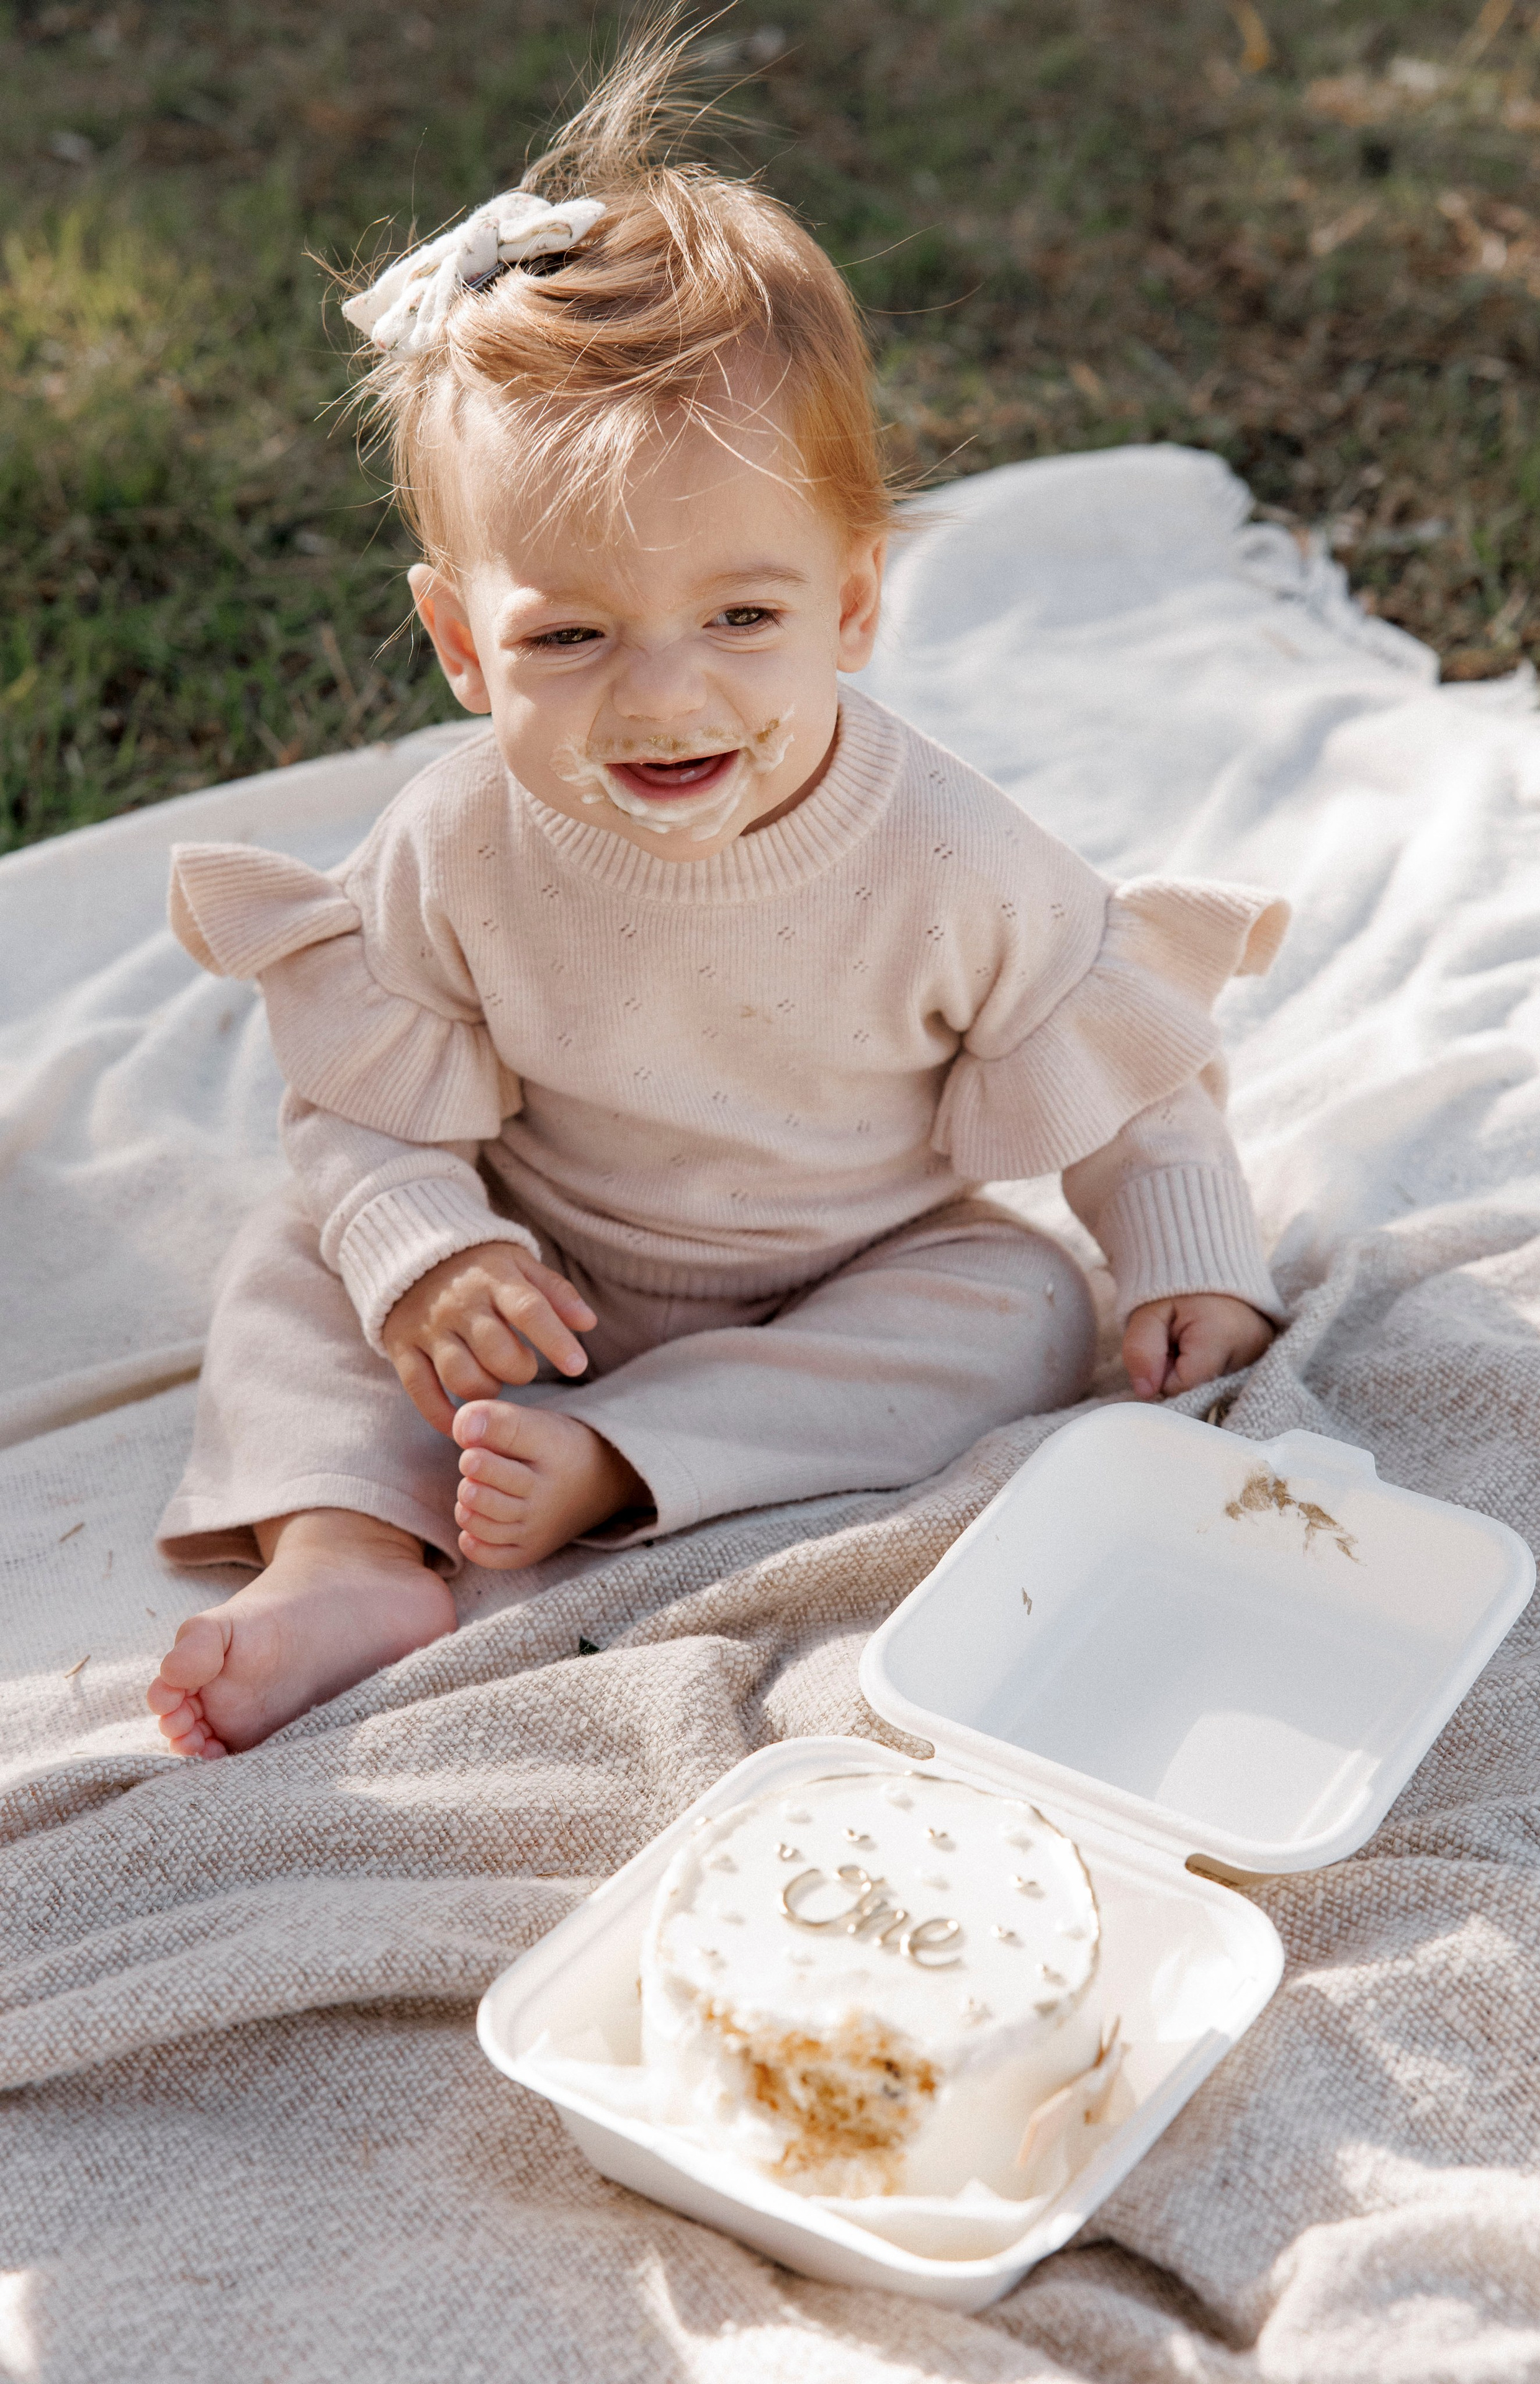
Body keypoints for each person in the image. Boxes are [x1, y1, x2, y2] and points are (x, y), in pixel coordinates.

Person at [146, 25, 1286, 1761]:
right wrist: (430, 1250)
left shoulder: (954, 859)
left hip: (850, 1261)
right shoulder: (453, 850)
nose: (665, 699)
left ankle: (636, 1453)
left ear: (852, 605)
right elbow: (358, 1106)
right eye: (572, 637)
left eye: (742, 619)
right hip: (537, 1260)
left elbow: (1123, 1066)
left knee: (1016, 1306)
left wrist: (1179, 1258)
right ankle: (344, 1550)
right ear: (463, 644)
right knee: (300, 1259)